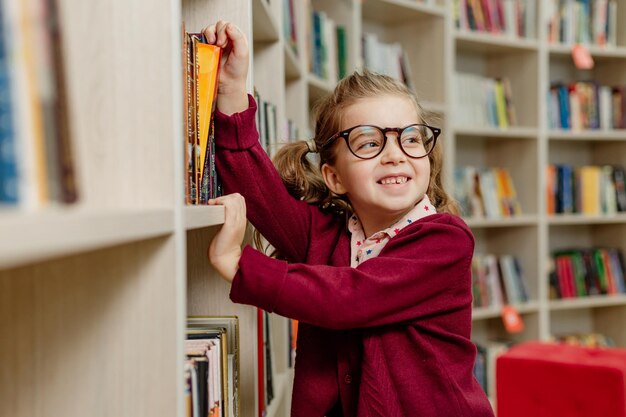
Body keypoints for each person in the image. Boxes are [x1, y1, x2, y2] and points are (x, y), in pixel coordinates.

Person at [203, 20, 495, 417]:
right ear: (334, 177)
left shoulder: (445, 240)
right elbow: (261, 195)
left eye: (410, 138)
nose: (395, 153)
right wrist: (231, 90)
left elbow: (350, 298)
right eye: (370, 143)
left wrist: (239, 266)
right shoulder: (323, 235)